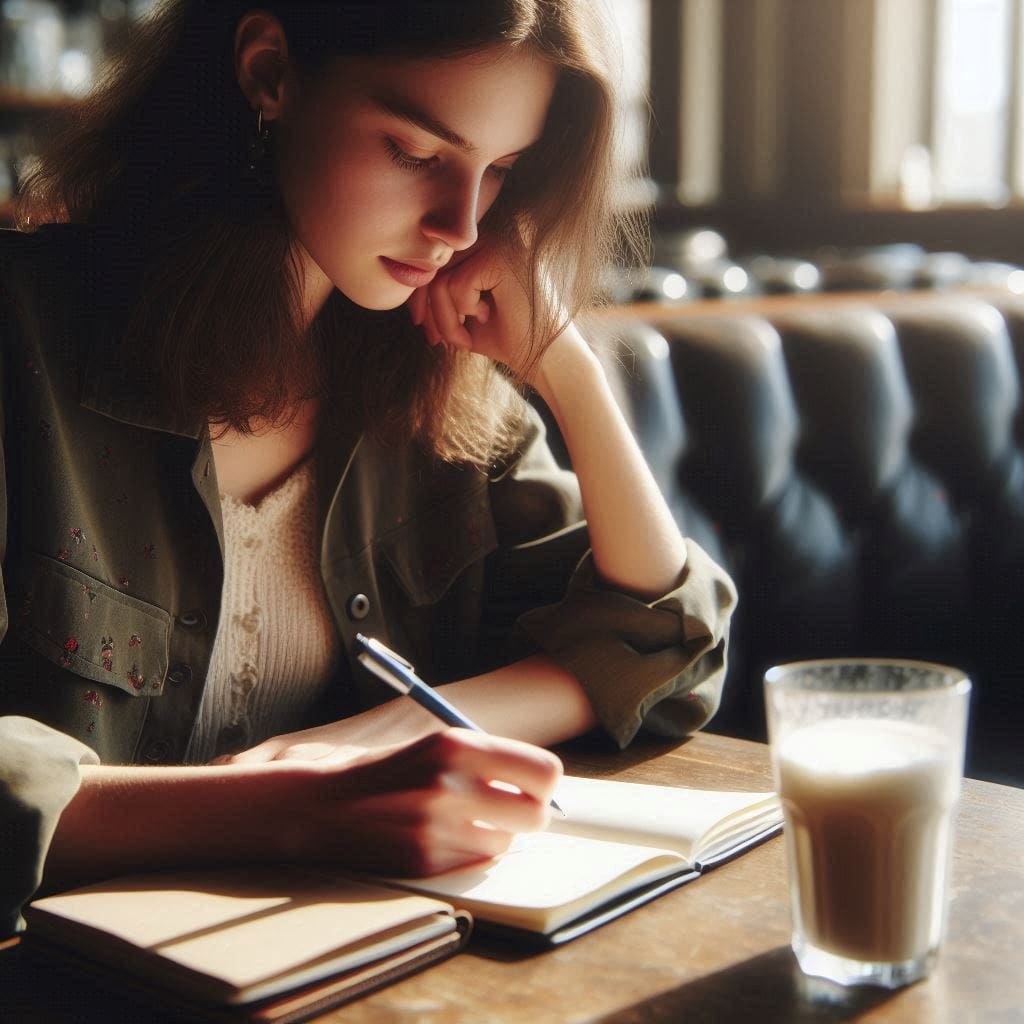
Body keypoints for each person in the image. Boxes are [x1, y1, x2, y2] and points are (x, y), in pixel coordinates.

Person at [0, 0, 736, 936]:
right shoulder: (22, 341)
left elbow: (670, 636)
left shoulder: (432, 390)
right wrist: (300, 811)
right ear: (270, 72)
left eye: (501, 170)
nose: (462, 226)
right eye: (418, 153)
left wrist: (562, 361)